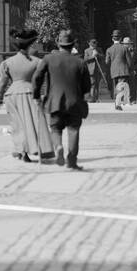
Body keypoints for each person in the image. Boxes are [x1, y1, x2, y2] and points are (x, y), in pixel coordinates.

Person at [32, 29, 91, 170]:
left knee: (56, 129)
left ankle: (58, 146)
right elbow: (87, 86)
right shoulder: (80, 62)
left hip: (54, 102)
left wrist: (36, 96)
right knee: (73, 130)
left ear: (58, 44)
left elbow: (37, 77)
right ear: (72, 45)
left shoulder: (48, 59)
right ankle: (71, 161)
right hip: (74, 102)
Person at [0, 28, 54, 162]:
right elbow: (42, 80)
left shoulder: (7, 63)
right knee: (35, 122)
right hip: (30, 92)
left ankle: (21, 151)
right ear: (29, 45)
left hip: (12, 94)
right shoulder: (37, 62)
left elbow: (2, 81)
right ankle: (39, 148)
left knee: (17, 124)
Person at [107, 31, 132, 110]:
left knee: (116, 87)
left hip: (114, 71)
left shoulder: (109, 49)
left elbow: (107, 62)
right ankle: (118, 104)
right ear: (121, 39)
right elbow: (129, 61)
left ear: (112, 39)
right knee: (121, 87)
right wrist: (130, 69)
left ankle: (116, 104)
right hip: (123, 70)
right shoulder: (124, 48)